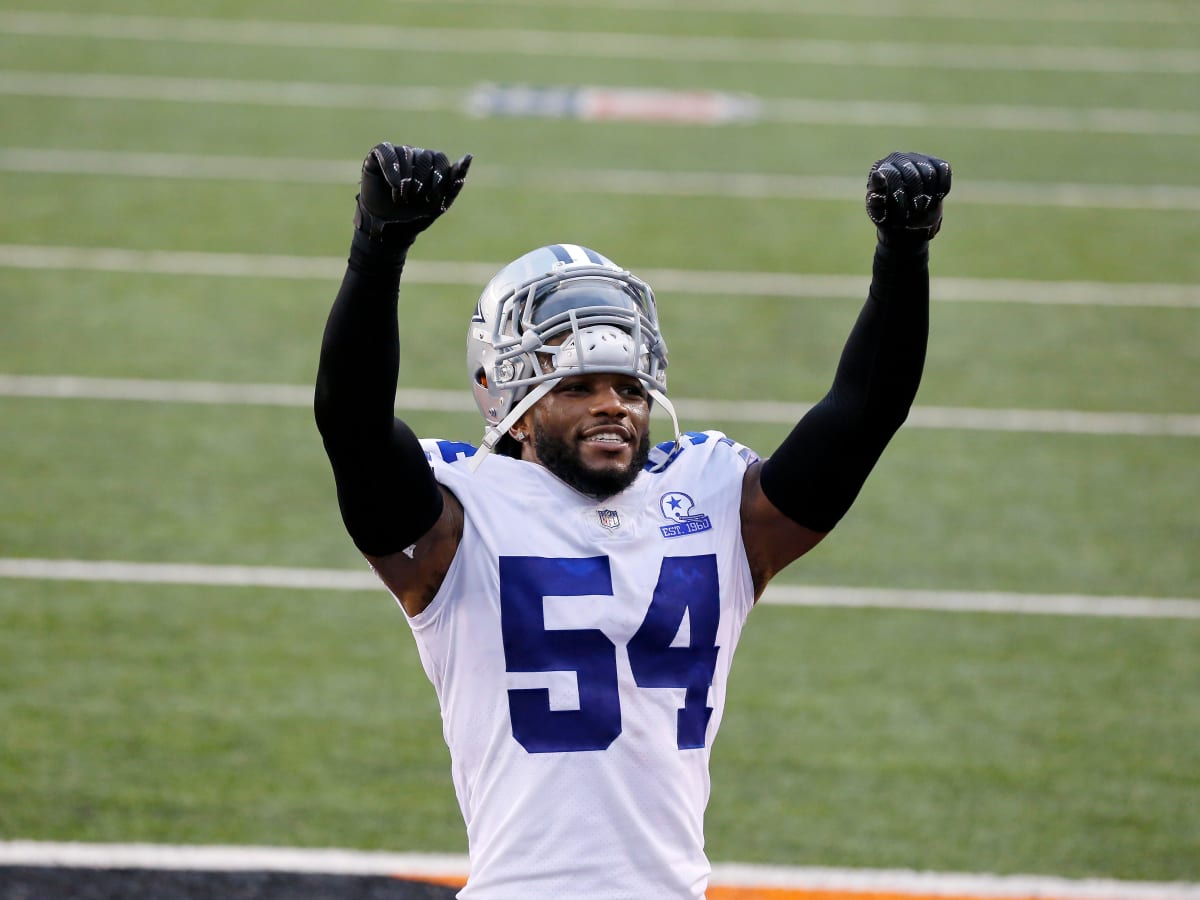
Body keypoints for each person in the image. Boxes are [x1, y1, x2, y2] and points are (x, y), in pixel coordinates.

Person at [314, 141, 951, 899]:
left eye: (628, 386)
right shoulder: (459, 518)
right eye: (579, 385)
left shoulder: (715, 500)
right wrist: (376, 251)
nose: (612, 403)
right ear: (510, 409)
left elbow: (864, 414)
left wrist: (903, 256)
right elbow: (351, 425)